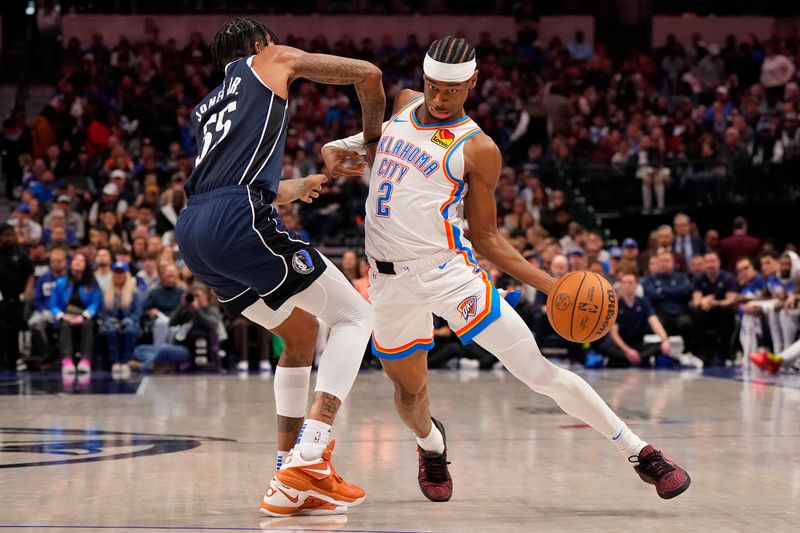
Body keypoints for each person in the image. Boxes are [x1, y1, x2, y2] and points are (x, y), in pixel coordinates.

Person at [323, 36, 689, 505]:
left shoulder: (479, 149)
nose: (437, 98)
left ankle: (641, 453)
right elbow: (380, 143)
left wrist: (552, 285)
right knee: (411, 398)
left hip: (449, 273)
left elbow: (487, 236)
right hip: (387, 282)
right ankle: (431, 445)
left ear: (473, 82)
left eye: (449, 91)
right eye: (431, 87)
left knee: (537, 371)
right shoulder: (404, 103)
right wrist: (342, 145)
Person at [173, 18, 384, 516]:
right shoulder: (268, 58)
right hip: (236, 219)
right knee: (355, 317)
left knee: (300, 334)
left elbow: (227, 182)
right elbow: (369, 74)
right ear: (259, 45)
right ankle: (311, 458)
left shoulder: (206, 108)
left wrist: (295, 184)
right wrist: (371, 143)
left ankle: (285, 469)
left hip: (194, 231)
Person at [597, 272, 672, 368]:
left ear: (636, 285)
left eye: (631, 282)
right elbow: (614, 334)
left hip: (638, 344)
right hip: (621, 346)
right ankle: (636, 359)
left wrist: (665, 339)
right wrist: (628, 351)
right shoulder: (615, 305)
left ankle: (629, 360)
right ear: (620, 285)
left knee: (660, 346)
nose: (628, 286)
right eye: (624, 283)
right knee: (604, 347)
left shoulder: (643, 302)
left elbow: (654, 322)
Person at [49, 252, 102, 374]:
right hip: (66, 316)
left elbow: (95, 303)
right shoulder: (61, 283)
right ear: (70, 264)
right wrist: (62, 316)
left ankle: (85, 360)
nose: (77, 262)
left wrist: (83, 316)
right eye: (75, 260)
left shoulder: (92, 284)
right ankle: (67, 360)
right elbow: (53, 305)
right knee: (65, 326)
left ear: (86, 265)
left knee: (88, 325)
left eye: (81, 260)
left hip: (85, 317)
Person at [691, 251, 739, 363]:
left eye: (712, 261)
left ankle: (725, 354)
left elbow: (730, 299)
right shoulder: (699, 278)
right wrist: (703, 301)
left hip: (722, 310)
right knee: (698, 313)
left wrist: (715, 303)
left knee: (726, 313)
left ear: (719, 262)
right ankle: (701, 353)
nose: (710, 265)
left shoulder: (728, 278)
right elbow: (696, 300)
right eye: (707, 262)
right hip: (706, 312)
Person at [642, 251, 694, 351]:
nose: (664, 263)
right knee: (652, 325)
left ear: (673, 263)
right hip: (659, 314)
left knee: (686, 323)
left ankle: (687, 352)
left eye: (667, 261)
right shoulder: (649, 280)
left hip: (680, 313)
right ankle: (657, 353)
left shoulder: (682, 277)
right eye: (661, 261)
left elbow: (685, 291)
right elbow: (652, 295)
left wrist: (662, 290)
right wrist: (674, 292)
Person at [0, 224, 34, 372]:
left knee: (13, 332)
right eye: (6, 235)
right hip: (1, 301)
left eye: (11, 235)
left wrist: (27, 293)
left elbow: (31, 274)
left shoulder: (20, 253)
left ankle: (13, 363)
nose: (9, 238)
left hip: (17, 300)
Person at [100, 261, 142, 377]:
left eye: (121, 273)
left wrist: (128, 321)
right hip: (112, 323)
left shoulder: (134, 293)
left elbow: (137, 313)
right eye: (116, 273)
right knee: (111, 331)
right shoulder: (106, 293)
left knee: (130, 331)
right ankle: (115, 361)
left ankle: (126, 361)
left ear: (126, 275)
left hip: (129, 322)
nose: (119, 276)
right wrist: (112, 322)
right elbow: (103, 313)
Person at [28, 247, 68, 361]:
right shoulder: (43, 278)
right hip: (45, 311)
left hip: (63, 312)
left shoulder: (69, 279)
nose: (56, 264)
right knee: (33, 322)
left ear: (65, 261)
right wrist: (43, 310)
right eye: (53, 261)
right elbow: (37, 299)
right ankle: (48, 352)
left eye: (59, 261)